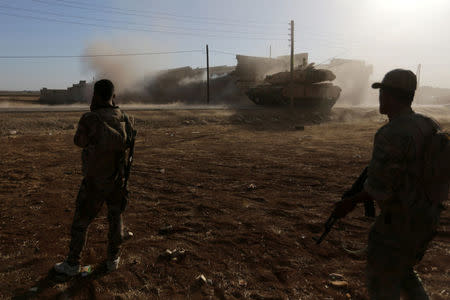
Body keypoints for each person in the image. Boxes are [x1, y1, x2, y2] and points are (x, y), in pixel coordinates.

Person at [332, 69, 448, 299]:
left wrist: (350, 202)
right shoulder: (429, 124)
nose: (380, 98)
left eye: (382, 92)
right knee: (404, 272)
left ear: (391, 95)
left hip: (398, 224)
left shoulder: (391, 133)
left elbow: (380, 188)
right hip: (428, 217)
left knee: (382, 283)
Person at [54, 79, 135, 276]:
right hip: (117, 180)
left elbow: (79, 141)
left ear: (96, 95)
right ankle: (113, 259)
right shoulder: (124, 117)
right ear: (113, 96)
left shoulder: (90, 118)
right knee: (116, 219)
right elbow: (129, 146)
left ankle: (73, 264)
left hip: (95, 181)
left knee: (81, 223)